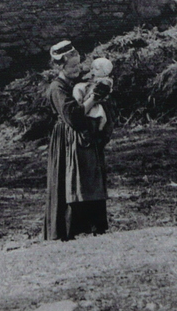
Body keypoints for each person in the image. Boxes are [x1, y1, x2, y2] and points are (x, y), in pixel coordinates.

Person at [43, 40, 113, 241]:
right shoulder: (57, 88)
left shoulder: (77, 83)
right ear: (59, 66)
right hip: (67, 138)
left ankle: (92, 225)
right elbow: (73, 117)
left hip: (83, 138)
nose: (78, 69)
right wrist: (94, 98)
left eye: (79, 65)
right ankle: (66, 229)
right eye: (72, 66)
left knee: (87, 178)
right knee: (69, 180)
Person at [73, 56, 115, 131]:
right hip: (92, 100)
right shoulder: (95, 78)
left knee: (99, 112)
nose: (93, 71)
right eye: (92, 69)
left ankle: (101, 125)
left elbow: (98, 90)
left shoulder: (106, 80)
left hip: (98, 101)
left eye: (97, 69)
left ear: (105, 71)